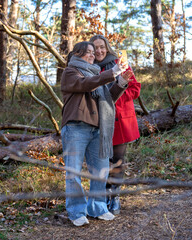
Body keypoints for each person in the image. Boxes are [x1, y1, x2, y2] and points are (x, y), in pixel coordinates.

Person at [61, 41, 133, 227]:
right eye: (88, 52)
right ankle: (76, 211)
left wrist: (122, 81)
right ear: (77, 54)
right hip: (76, 127)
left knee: (100, 171)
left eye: (94, 52)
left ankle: (98, 207)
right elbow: (85, 85)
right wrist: (112, 73)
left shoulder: (96, 75)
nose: (93, 55)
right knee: (74, 172)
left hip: (97, 129)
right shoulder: (70, 72)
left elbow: (108, 99)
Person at [90, 35, 141, 215]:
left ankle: (115, 196)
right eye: (95, 47)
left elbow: (135, 89)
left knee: (118, 160)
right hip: (100, 121)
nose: (99, 51)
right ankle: (102, 196)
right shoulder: (89, 67)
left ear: (107, 47)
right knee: (102, 161)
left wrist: (115, 97)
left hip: (120, 120)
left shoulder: (120, 62)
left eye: (102, 47)